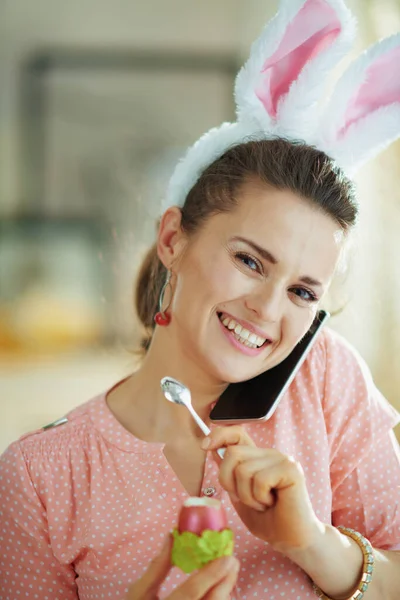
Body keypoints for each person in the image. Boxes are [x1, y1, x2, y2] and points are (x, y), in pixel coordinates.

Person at [1, 0, 400, 599]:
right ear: (172, 239)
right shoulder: (39, 477)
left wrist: (313, 542)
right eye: (249, 260)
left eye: (301, 291)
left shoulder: (326, 381)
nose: (268, 308)